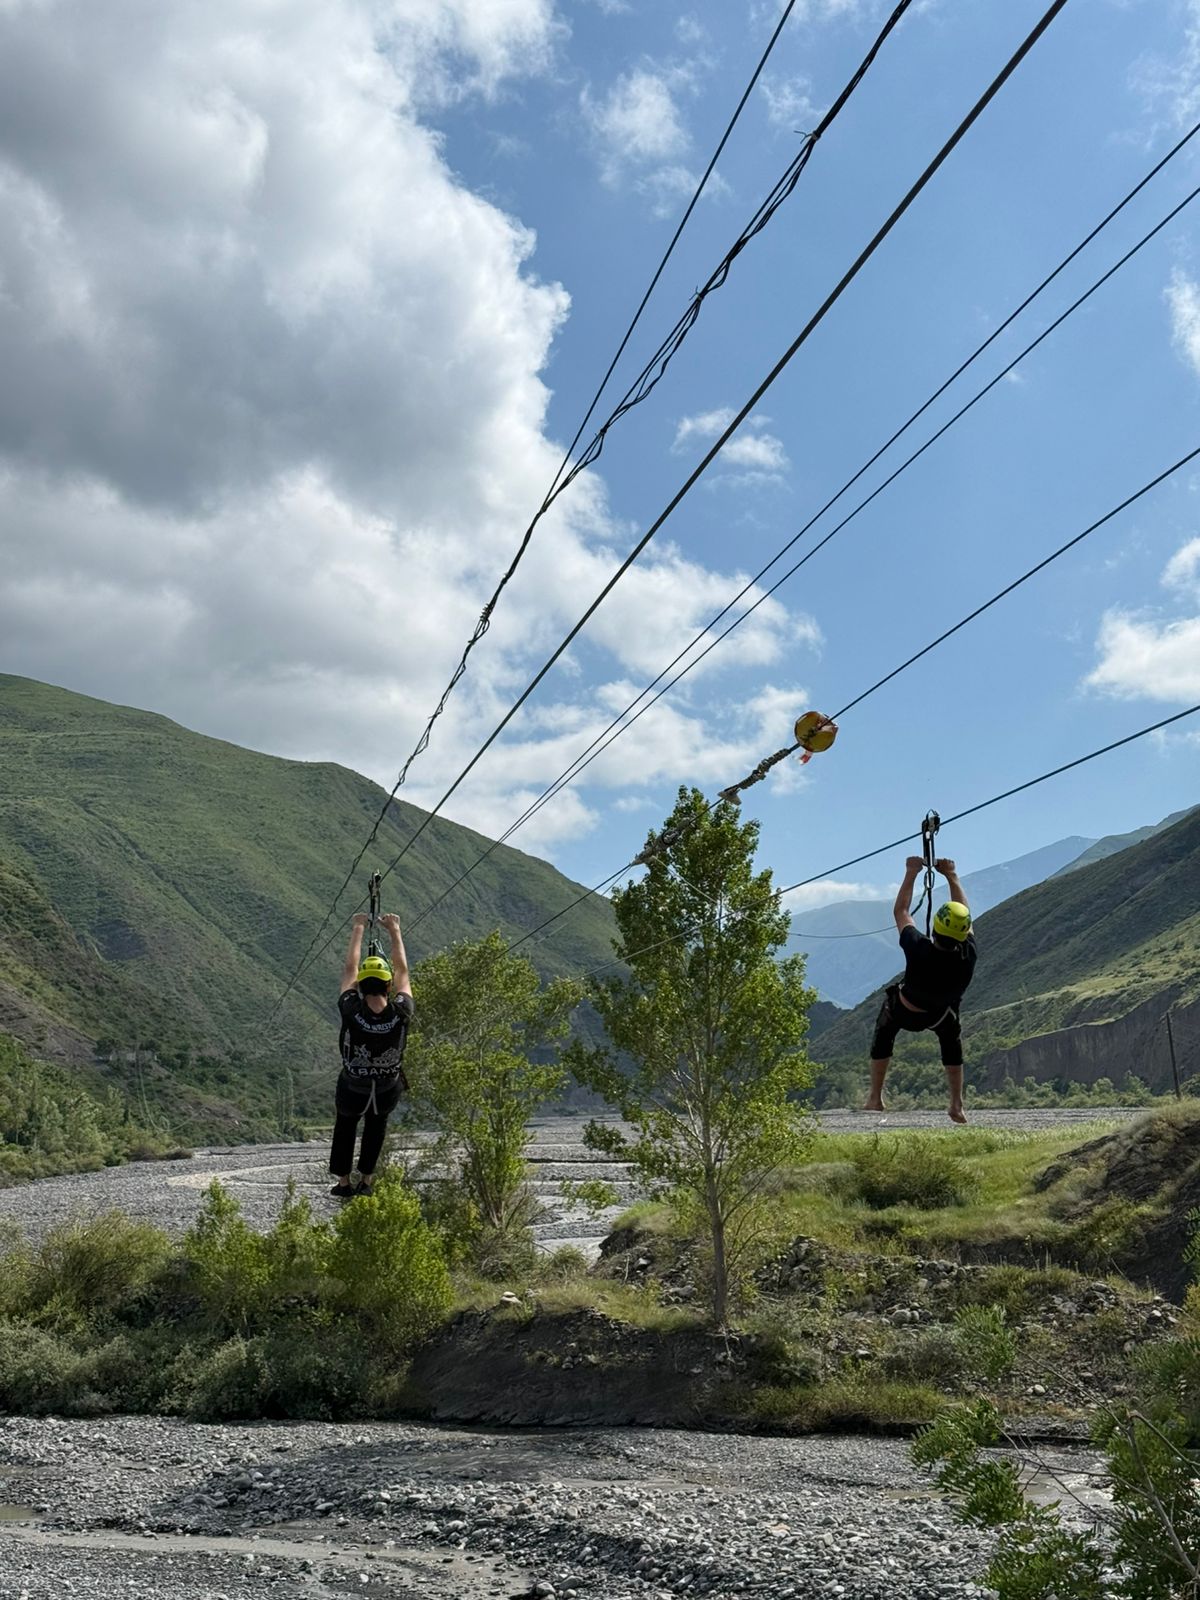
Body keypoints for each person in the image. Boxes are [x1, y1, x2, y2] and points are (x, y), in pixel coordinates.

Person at [863, 856, 976, 1124]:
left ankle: (875, 1097)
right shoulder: (968, 954)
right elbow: (965, 916)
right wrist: (952, 875)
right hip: (941, 1014)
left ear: (935, 928)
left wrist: (911, 872)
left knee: (884, 1031)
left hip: (905, 1009)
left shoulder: (918, 946)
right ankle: (956, 1104)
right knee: (952, 1044)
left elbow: (901, 912)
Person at [329, 910, 413, 1198]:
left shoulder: (351, 1009)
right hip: (387, 1087)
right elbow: (403, 973)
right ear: (388, 986)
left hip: (354, 1086)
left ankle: (343, 1183)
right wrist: (394, 930)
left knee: (345, 1126)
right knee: (376, 1127)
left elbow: (349, 970)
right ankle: (366, 1180)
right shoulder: (402, 1011)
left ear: (361, 986)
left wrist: (358, 927)